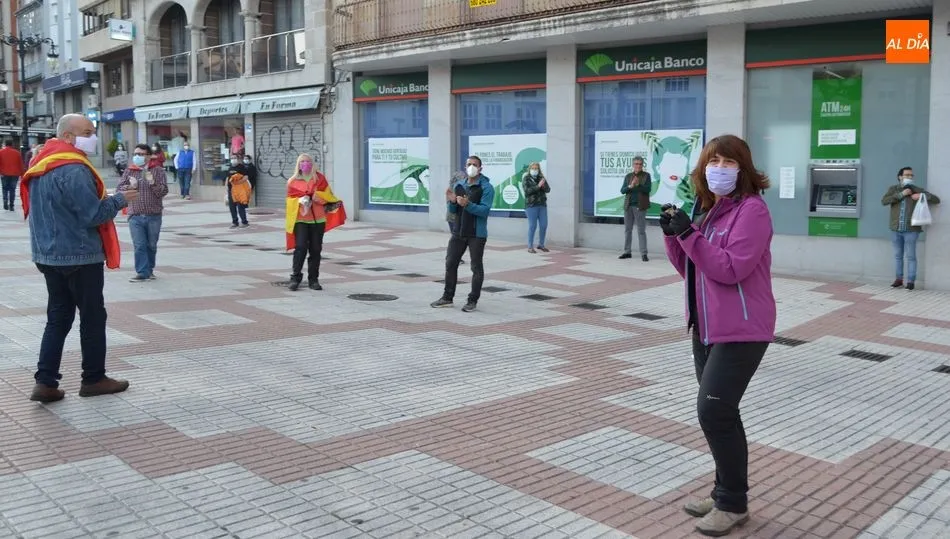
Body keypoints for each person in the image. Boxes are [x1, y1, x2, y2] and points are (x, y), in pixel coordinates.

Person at [658, 134, 775, 537]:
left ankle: (733, 504)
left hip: (742, 329)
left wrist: (689, 235)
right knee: (721, 415)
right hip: (706, 327)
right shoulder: (709, 209)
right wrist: (674, 234)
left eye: (726, 161)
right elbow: (692, 269)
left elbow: (729, 269)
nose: (718, 168)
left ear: (742, 167)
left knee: (713, 410)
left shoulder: (752, 211)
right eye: (712, 161)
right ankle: (725, 491)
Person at [20, 113, 139, 403]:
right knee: (92, 317)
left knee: (58, 318)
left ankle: (45, 381)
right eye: (87, 131)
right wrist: (121, 198)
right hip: (79, 255)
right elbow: (92, 214)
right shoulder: (73, 168)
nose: (93, 137)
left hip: (48, 254)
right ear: (69, 136)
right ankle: (93, 378)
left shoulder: (42, 162)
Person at [431, 155, 494, 313]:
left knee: (476, 267)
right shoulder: (459, 184)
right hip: (458, 232)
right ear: (465, 167)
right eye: (469, 164)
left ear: (480, 168)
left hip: (476, 234)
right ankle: (447, 298)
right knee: (450, 263)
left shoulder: (486, 187)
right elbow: (453, 211)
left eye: (474, 164)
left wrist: (468, 204)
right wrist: (452, 202)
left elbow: (484, 211)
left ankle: (472, 300)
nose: (471, 167)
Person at [284, 154, 346, 291]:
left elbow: (329, 197)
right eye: (302, 162)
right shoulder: (292, 181)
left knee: (316, 249)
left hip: (318, 219)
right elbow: (289, 201)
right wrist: (299, 200)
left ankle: (313, 280)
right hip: (300, 219)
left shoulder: (320, 179)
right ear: (298, 164)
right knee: (300, 248)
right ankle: (295, 278)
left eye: (308, 161)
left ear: (312, 164)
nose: (305, 164)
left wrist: (317, 197)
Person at [881, 166, 940, 290]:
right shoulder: (894, 189)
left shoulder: (917, 190)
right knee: (898, 255)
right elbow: (884, 201)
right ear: (900, 177)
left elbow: (936, 200)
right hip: (896, 229)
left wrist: (922, 196)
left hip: (911, 230)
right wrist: (901, 194)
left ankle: (911, 281)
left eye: (911, 175)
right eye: (907, 175)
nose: (909, 177)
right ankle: (898, 279)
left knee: (911, 256)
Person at [116, 144, 169, 282]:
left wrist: (152, 182)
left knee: (151, 245)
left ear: (148, 156)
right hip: (135, 214)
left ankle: (149, 270)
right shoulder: (129, 171)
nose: (137, 157)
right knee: (139, 245)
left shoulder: (158, 171)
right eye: (135, 154)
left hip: (153, 215)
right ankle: (142, 272)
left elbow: (162, 192)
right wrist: (130, 186)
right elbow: (119, 189)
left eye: (140, 154)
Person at [620, 156, 652, 261]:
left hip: (640, 206)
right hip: (628, 206)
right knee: (627, 230)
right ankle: (627, 252)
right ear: (633, 165)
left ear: (642, 165)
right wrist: (630, 186)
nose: (638, 166)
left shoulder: (646, 176)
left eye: (640, 164)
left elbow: (647, 189)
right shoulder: (628, 176)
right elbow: (622, 190)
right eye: (636, 164)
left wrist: (638, 185)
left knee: (641, 230)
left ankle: (644, 253)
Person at [523, 161, 550, 253]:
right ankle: (530, 246)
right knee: (532, 226)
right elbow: (527, 191)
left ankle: (541, 245)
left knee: (544, 225)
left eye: (536, 168)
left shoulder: (541, 178)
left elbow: (548, 190)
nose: (535, 170)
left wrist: (543, 185)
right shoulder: (526, 178)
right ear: (530, 169)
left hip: (542, 205)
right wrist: (538, 186)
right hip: (531, 205)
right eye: (533, 168)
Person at [445, 170, 467, 264]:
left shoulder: (460, 189)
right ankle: (451, 257)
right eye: (463, 178)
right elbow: (451, 206)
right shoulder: (452, 190)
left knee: (459, 238)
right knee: (456, 238)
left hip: (458, 218)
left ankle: (456, 257)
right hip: (453, 218)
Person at [226, 156, 251, 228]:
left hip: (239, 191)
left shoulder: (241, 167)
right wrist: (226, 188)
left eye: (234, 158)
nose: (233, 159)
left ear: (238, 159)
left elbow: (246, 177)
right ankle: (235, 222)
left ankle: (244, 222)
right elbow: (228, 178)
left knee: (240, 207)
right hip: (231, 191)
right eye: (232, 158)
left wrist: (238, 182)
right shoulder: (230, 168)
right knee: (232, 207)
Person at [0, 139, 25, 211]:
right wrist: (22, 174)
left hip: (4, 173)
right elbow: (20, 164)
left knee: (4, 189)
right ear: (12, 144)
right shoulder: (17, 153)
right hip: (15, 174)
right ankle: (11, 205)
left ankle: (5, 201)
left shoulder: (1, 152)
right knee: (12, 189)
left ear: (5, 144)